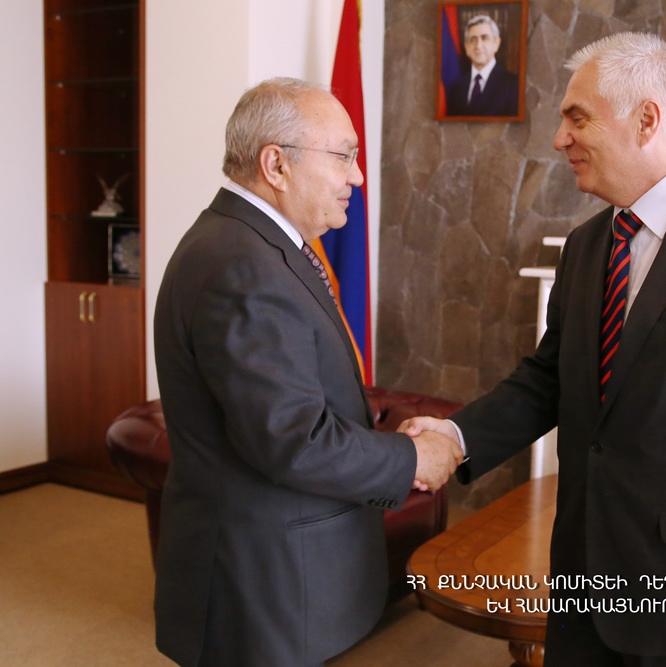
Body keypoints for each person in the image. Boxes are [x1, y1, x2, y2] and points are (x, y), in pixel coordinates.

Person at [403, 33, 666, 667]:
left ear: (646, 120)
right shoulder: (584, 247)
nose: (559, 139)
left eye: (577, 119)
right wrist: (456, 438)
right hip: (582, 586)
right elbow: (548, 378)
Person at [152, 77, 463, 667]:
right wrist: (410, 459)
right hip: (259, 579)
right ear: (276, 164)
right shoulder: (241, 265)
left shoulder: (255, 245)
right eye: (343, 156)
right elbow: (293, 440)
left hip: (273, 570)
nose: (357, 176)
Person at [445, 14, 519, 117]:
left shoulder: (514, 85)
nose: (478, 46)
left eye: (484, 38)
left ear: (496, 44)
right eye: (473, 39)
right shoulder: (456, 87)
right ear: (467, 48)